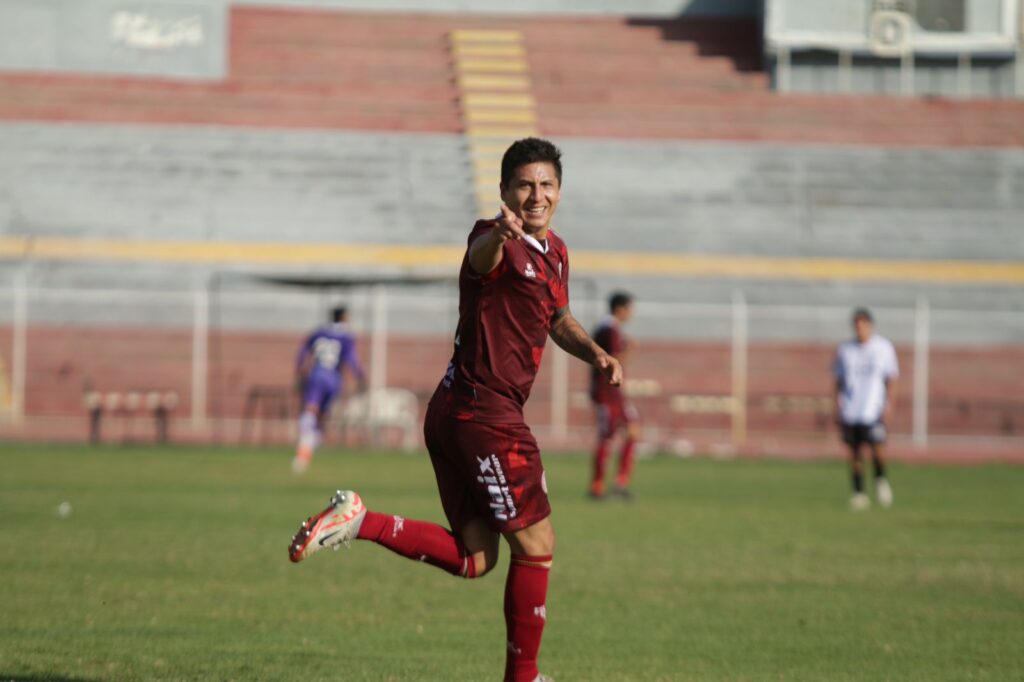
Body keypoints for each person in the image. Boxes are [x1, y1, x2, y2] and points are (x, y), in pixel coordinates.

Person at [286, 138, 622, 682]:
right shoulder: (491, 238)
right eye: (524, 185)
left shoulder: (556, 251)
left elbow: (559, 319)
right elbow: (481, 257)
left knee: (477, 559)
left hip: (456, 411)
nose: (536, 195)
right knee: (537, 543)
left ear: (559, 191)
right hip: (484, 416)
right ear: (505, 191)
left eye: (546, 185)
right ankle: (525, 678)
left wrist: (596, 353)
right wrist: (499, 230)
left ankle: (357, 521)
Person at [832, 307, 899, 510]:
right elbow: (837, 380)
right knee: (854, 454)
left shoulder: (883, 348)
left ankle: (880, 481)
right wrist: (837, 405)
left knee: (877, 449)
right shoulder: (845, 350)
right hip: (851, 409)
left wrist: (889, 404)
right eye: (856, 325)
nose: (860, 329)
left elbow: (892, 378)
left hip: (873, 408)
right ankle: (859, 493)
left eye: (863, 325)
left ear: (870, 326)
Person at [291, 305, 366, 473]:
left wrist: (298, 373)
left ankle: (305, 449)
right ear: (344, 317)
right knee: (321, 417)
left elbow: (302, 353)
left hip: (316, 375)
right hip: (333, 379)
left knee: (311, 410)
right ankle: (305, 451)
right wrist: (361, 376)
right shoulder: (347, 337)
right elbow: (352, 359)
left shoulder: (318, 333)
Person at [588, 291, 640, 499]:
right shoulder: (609, 328)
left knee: (633, 430)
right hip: (605, 392)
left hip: (615, 393)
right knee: (607, 437)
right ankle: (597, 486)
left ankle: (620, 482)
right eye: (630, 308)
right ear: (620, 308)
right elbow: (612, 359)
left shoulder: (611, 328)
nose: (632, 313)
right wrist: (630, 349)